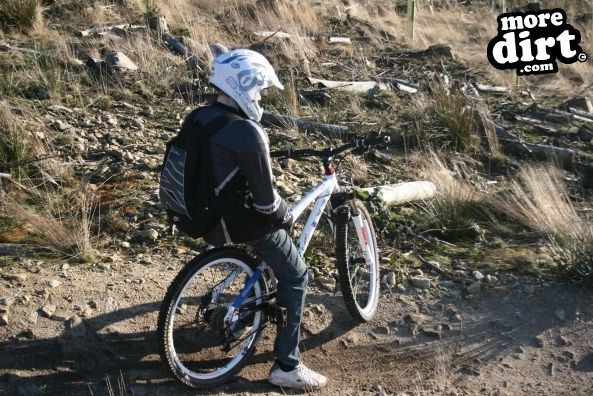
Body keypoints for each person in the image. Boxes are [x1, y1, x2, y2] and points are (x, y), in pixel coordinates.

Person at [196, 48, 328, 390]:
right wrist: (286, 215)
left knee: (275, 255)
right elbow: (267, 204)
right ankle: (287, 366)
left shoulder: (201, 117)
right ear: (244, 84)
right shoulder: (248, 132)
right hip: (239, 220)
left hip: (203, 214)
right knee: (297, 274)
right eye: (258, 88)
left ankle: (246, 313)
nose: (259, 96)